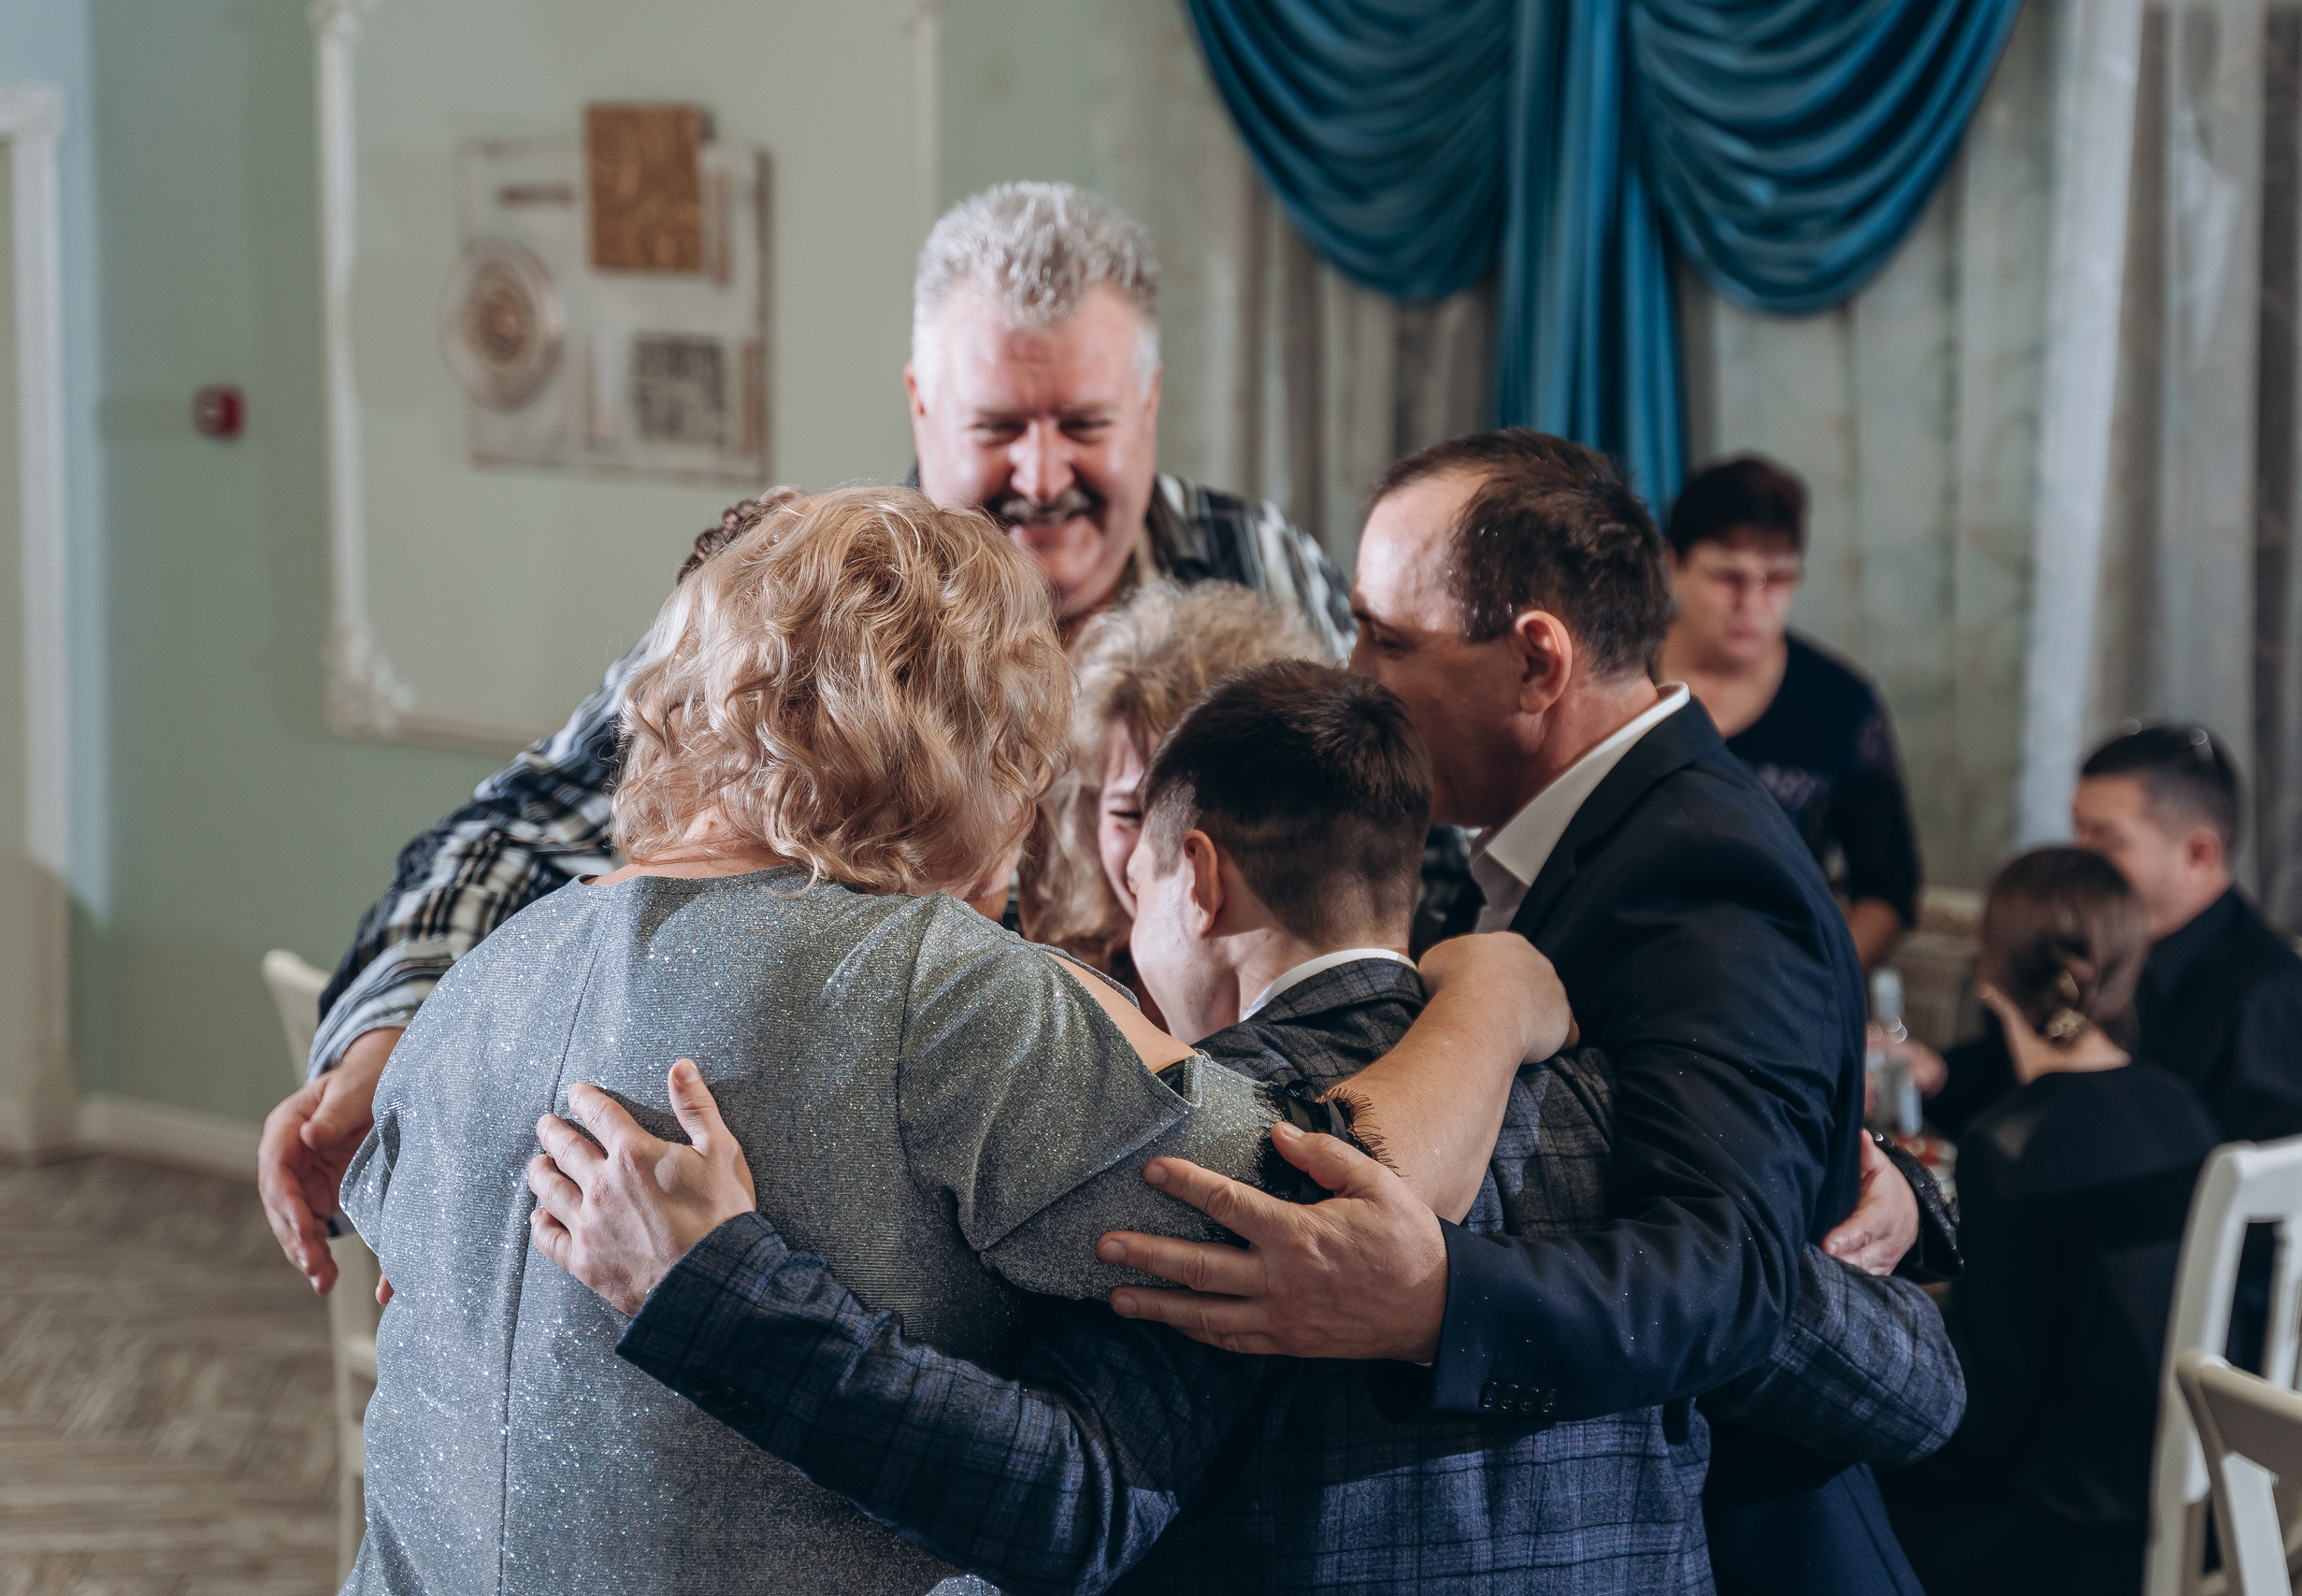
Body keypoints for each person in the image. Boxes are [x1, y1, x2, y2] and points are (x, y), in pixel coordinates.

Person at [340, 489, 1556, 1594]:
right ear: (978, 731)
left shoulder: (476, 981)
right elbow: (1316, 1197)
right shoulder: (938, 983)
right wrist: (1491, 995)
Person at [525, 660, 1963, 1593]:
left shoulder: (1204, 1152)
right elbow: (1912, 1388)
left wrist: (717, 1291)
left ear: (1192, 877)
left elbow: (1064, 1503)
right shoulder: (1625, 1128)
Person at [261, 180, 1356, 1298]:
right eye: (995, 428)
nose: (1039, 475)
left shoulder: (1263, 568)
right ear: (921, 405)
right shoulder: (802, 602)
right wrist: (394, 1046)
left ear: (1151, 402)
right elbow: (511, 833)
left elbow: (1384, 881)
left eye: (1083, 424)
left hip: (1169, 1179)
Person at [1089, 430, 1943, 1596]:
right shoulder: (1577, 833)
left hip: (1743, 1546)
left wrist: (1433, 1299)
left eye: (1387, 639)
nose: (1355, 673)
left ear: (1536, 662)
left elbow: (1729, 1274)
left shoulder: (1698, 869)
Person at [1882, 847, 2222, 1596]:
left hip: (2062, 1530)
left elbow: (1991, 1411)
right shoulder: (2185, 1111)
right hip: (2175, 1501)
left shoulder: (2011, 1145)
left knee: (1843, 1498)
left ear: (1991, 974)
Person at [1920, 724, 2302, 1144]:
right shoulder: (2100, 946)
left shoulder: (2274, 1006)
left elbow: (2267, 1199)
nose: (2079, 859)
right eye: (2078, 830)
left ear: (2199, 854)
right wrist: (1935, 1075)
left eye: (2106, 840)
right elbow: (2018, 1070)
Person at [1656, 455, 1923, 969]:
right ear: (1673, 567)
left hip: (1780, 984)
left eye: (1777, 578)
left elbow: (1889, 891)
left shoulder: (1840, 703)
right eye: (1727, 576)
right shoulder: (1613, 678)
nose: (1752, 603)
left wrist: (1809, 982)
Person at [1019, 580, 1331, 992]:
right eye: (1129, 814)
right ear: (1090, 813)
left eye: (1198, 811)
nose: (1158, 852)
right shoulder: (1054, 987)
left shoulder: (1330, 991)